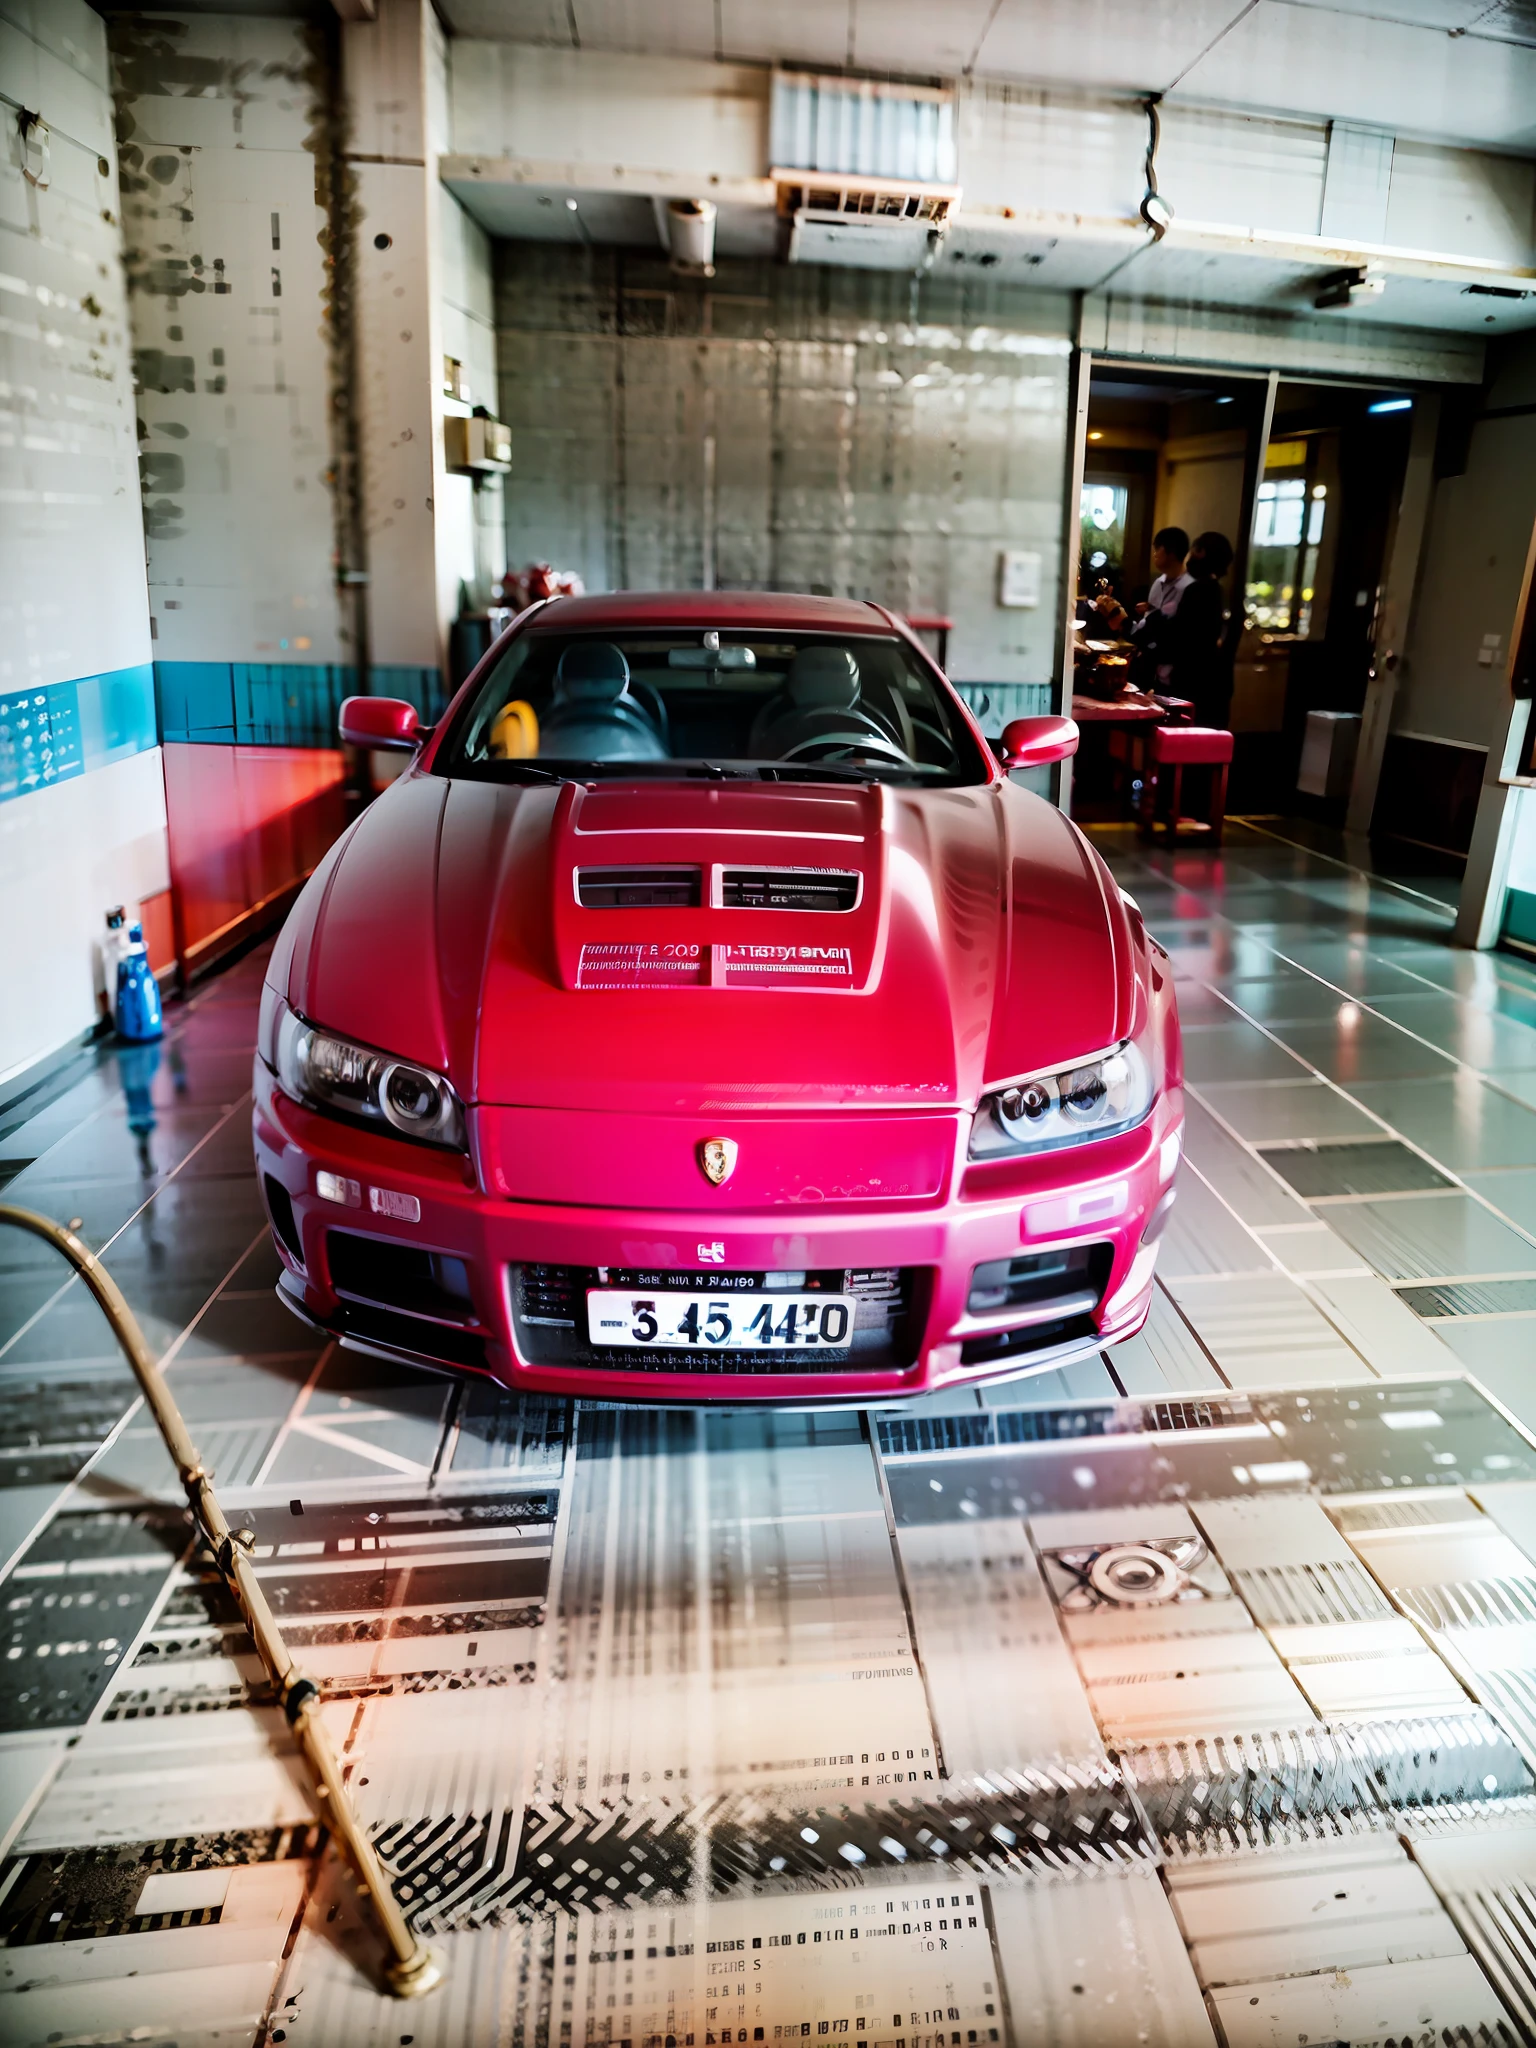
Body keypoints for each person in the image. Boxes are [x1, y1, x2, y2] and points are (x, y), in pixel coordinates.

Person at [1093, 527, 1192, 688]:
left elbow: (1167, 632)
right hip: (1149, 659)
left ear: (1171, 552)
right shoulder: (1159, 582)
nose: (1154, 554)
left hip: (1169, 670)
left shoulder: (1188, 589)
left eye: (1158, 549)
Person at [1162, 530, 1235, 728]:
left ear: (1200, 552)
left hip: (1193, 687)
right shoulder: (1223, 594)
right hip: (1217, 689)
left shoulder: (1198, 591)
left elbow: (1180, 639)